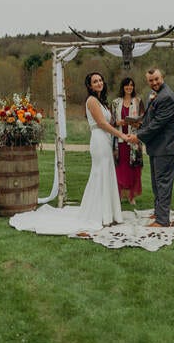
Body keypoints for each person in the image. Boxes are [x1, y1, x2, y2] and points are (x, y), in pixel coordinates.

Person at [9, 72, 128, 234]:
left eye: (100, 80)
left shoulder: (102, 102)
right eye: (95, 81)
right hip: (99, 140)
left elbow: (108, 121)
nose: (99, 83)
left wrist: (120, 123)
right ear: (90, 86)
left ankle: (108, 212)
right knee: (100, 174)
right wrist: (120, 135)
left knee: (106, 173)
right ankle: (99, 214)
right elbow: (101, 123)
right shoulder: (92, 100)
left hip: (106, 140)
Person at [127, 68, 174, 228]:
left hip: (166, 146)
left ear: (162, 77)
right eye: (151, 80)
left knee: (163, 183)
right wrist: (139, 123)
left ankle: (162, 220)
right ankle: (159, 213)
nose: (154, 82)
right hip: (157, 146)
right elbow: (152, 119)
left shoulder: (167, 97)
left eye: (157, 79)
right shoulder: (156, 95)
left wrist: (138, 136)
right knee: (157, 183)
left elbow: (158, 124)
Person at [111, 76, 144, 206]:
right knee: (120, 168)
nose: (129, 87)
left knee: (132, 168)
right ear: (123, 87)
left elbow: (143, 119)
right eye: (126, 85)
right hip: (119, 140)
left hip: (133, 140)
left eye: (131, 85)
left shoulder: (138, 101)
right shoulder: (115, 102)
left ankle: (131, 196)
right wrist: (117, 122)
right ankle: (119, 195)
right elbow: (110, 120)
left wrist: (138, 124)